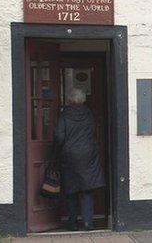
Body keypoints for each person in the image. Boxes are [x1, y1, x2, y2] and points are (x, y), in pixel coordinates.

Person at [54, 88, 105, 231]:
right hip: (88, 154)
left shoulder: (64, 115)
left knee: (71, 189)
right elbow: (94, 130)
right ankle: (88, 222)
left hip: (70, 154)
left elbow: (59, 136)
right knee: (87, 189)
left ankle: (72, 222)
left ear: (69, 100)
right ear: (83, 100)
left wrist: (56, 151)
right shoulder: (89, 114)